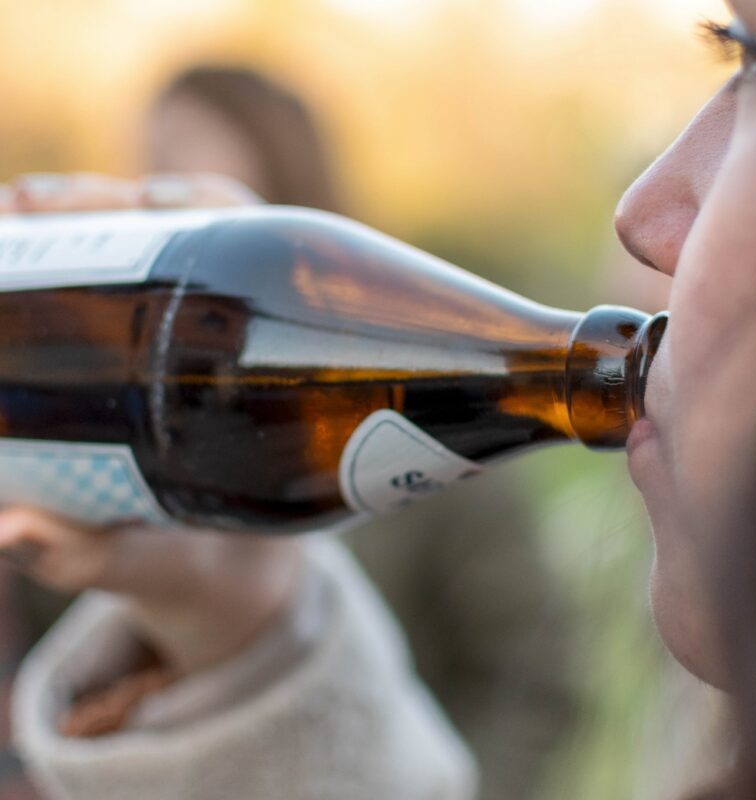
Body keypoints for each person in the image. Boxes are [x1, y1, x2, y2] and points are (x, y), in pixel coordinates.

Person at [0, 0, 756, 795]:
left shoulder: (450, 431)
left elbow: (530, 682)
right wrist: (232, 623)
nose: (639, 215)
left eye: (752, 54)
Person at [6, 65, 576, 799]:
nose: (145, 181)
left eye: (178, 155)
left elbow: (530, 681)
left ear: (276, 163)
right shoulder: (102, 387)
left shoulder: (439, 403)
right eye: (144, 154)